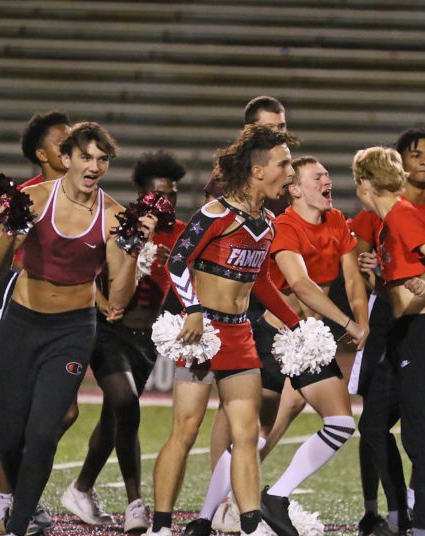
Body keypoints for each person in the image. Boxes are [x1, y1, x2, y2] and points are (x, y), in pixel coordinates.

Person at [0, 122, 156, 536]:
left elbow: (117, 297)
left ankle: (19, 524)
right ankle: (14, 506)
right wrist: (12, 230)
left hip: (72, 332)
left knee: (43, 433)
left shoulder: (113, 216)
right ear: (68, 159)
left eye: (102, 159)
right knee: (9, 436)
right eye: (86, 157)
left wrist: (132, 249)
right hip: (23, 325)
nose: (94, 165)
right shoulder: (34, 199)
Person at [184, 155, 369, 536]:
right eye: (318, 177)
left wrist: (362, 321)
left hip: (307, 338)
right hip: (275, 336)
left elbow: (352, 278)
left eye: (328, 176)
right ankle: (205, 517)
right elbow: (299, 285)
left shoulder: (336, 222)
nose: (327, 181)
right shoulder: (283, 225)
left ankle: (275, 497)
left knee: (338, 424)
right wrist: (347, 322)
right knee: (255, 433)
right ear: (296, 190)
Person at [145, 125, 301, 536]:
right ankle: (160, 526)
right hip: (201, 334)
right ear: (257, 170)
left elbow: (261, 281)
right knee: (186, 429)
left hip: (238, 334)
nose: (290, 172)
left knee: (247, 434)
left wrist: (297, 325)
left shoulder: (267, 221)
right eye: (283, 164)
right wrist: (192, 310)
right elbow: (177, 262)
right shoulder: (215, 215)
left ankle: (251, 525)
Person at [347, 129, 425, 535]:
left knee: (419, 442)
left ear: (365, 182)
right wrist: (379, 276)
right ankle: (399, 512)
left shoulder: (399, 214)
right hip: (401, 331)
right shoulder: (385, 222)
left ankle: (420, 529)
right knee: (373, 425)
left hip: (422, 333)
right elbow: (397, 278)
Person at [60, 151, 188, 532]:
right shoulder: (120, 222)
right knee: (127, 403)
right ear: (141, 194)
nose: (166, 203)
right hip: (108, 330)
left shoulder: (181, 230)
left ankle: (80, 488)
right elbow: (87, 269)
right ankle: (136, 503)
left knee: (114, 419)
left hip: (147, 340)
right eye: (158, 195)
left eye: (173, 195)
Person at [0, 110, 74, 536]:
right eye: (62, 144)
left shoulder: (86, 195)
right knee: (14, 414)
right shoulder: (24, 196)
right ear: (41, 154)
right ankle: (6, 504)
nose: (71, 152)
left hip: (72, 313)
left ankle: (24, 492)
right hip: (22, 306)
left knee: (62, 413)